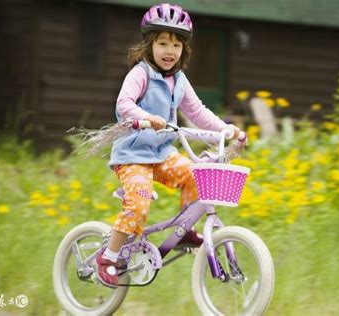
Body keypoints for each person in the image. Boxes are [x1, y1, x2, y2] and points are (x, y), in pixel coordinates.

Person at [96, 3, 240, 287]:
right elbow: (123, 104)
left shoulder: (180, 80)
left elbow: (197, 112)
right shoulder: (141, 74)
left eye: (176, 44)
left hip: (161, 154)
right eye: (162, 43)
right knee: (138, 204)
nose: (169, 51)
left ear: (183, 51)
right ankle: (109, 257)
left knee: (197, 174)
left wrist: (226, 129)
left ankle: (185, 230)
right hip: (133, 155)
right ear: (150, 45)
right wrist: (145, 118)